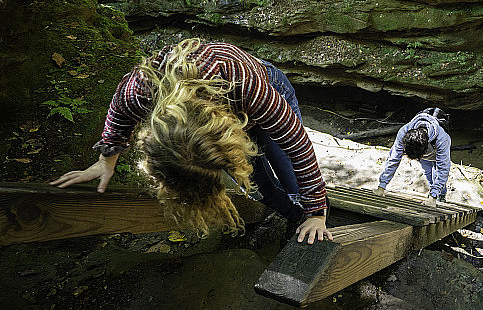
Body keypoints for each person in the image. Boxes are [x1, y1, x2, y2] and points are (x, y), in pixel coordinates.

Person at [50, 38, 332, 244]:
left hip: (265, 89)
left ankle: (308, 217)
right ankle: (296, 220)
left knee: (291, 177)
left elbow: (297, 144)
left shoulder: (242, 83)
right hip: (227, 109)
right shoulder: (141, 90)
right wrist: (105, 160)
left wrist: (317, 212)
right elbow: (119, 113)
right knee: (259, 189)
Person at [375, 108, 451, 207]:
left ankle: (439, 195)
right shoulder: (404, 132)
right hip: (422, 151)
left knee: (436, 173)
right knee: (428, 173)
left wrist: (433, 197)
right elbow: (393, 159)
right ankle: (433, 193)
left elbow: (443, 169)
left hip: (436, 153)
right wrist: (382, 186)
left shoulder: (442, 139)